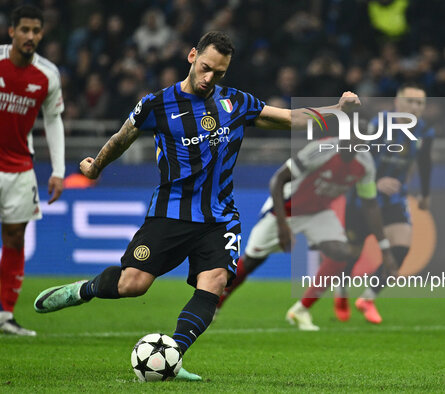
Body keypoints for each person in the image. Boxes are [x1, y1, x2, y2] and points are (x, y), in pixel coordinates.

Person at [34, 31, 360, 380]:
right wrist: (96, 167)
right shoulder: (157, 104)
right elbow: (122, 138)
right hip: (170, 213)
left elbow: (289, 118)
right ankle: (82, 290)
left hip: (219, 218)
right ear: (192, 56)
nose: (209, 79)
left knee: (215, 282)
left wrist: (336, 111)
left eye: (218, 73)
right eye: (205, 68)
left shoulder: (235, 102)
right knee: (133, 285)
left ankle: (172, 355)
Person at [216, 134, 396, 331]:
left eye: (362, 139)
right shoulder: (320, 150)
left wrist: (385, 249)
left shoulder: (365, 162)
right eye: (352, 137)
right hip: (286, 208)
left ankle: (301, 310)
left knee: (341, 252)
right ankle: (216, 302)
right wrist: (283, 226)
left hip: (318, 212)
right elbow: (278, 179)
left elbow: (370, 204)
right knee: (252, 260)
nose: (357, 143)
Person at [331, 83, 435, 324]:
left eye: (420, 103)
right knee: (352, 252)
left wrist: (426, 194)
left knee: (401, 247)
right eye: (411, 101)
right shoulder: (377, 125)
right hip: (363, 197)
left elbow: (424, 163)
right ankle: (341, 291)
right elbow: (353, 159)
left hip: (394, 199)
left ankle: (367, 298)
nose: (415, 107)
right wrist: (375, 182)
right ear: (397, 103)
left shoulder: (424, 131)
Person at [0, 5, 65, 336]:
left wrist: (58, 169)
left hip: (20, 167)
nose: (30, 36)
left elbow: (53, 120)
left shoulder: (47, 75)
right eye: (24, 30)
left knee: (14, 238)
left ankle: (3, 315)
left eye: (35, 31)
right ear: (11, 31)